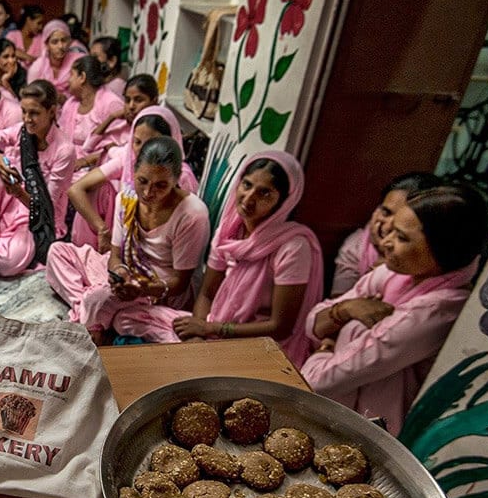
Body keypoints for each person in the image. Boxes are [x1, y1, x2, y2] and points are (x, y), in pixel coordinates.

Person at [302, 186, 488, 432]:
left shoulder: (436, 309)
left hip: (370, 433)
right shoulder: (396, 274)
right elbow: (313, 322)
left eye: (401, 238)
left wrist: (325, 347)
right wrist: (345, 310)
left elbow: (317, 380)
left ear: (443, 249)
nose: (386, 242)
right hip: (340, 416)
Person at [45, 137, 209, 344]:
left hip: (160, 288)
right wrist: (120, 273)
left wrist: (141, 289)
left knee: (117, 313)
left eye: (161, 185)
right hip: (129, 274)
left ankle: (95, 314)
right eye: (143, 181)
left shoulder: (192, 214)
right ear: (134, 173)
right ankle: (94, 310)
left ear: (176, 180)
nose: (148, 193)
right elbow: (115, 256)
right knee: (58, 252)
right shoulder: (127, 198)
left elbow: (180, 283)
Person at [168, 151, 324, 365]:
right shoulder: (229, 232)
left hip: (259, 347)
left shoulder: (293, 248)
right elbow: (207, 294)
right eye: (247, 185)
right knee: (134, 320)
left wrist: (212, 329)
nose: (249, 199)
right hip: (214, 331)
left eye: (265, 193)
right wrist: (198, 335)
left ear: (284, 201)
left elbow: (280, 327)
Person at [0, 80, 74, 276]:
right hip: (8, 205)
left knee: (6, 261)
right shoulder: (21, 132)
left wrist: (19, 192)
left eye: (34, 113)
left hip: (36, 219)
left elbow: (46, 209)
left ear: (51, 111)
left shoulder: (64, 151)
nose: (27, 119)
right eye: (24, 112)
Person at [67, 104, 197, 250]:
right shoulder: (128, 159)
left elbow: (185, 229)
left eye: (151, 143)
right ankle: (88, 252)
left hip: (160, 250)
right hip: (123, 242)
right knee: (100, 190)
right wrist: (102, 229)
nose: (142, 150)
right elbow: (76, 189)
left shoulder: (182, 177)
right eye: (137, 142)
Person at [331, 171, 442, 296]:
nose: (389, 225)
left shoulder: (432, 260)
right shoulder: (357, 246)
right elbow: (337, 304)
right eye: (386, 212)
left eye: (402, 218)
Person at [60, 55, 127, 173]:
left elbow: (120, 147)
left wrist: (85, 161)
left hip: (101, 168)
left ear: (82, 77)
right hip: (69, 163)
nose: (68, 80)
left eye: (71, 75)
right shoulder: (70, 104)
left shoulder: (111, 103)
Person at [27, 20, 77, 102]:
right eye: (55, 42)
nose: (60, 46)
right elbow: (31, 96)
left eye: (64, 40)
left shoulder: (76, 62)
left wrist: (65, 99)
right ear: (47, 45)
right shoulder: (37, 67)